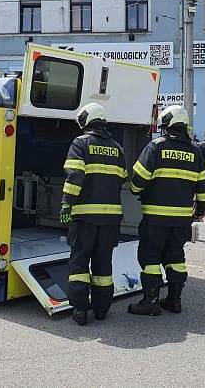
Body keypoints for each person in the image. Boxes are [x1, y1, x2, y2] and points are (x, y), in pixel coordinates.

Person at [128, 105, 205, 316]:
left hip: (155, 217)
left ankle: (150, 301)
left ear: (167, 125)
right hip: (182, 219)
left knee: (150, 256)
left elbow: (138, 179)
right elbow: (203, 188)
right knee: (175, 256)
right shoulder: (195, 152)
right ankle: (174, 300)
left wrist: (137, 191)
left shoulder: (156, 147)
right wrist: (200, 210)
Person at [60, 103, 127, 326]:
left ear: (86, 120)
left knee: (79, 263)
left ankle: (80, 310)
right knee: (103, 264)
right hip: (111, 219)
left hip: (85, 217)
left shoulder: (81, 143)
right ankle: (101, 309)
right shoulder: (117, 147)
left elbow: (75, 176)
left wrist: (66, 203)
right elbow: (122, 176)